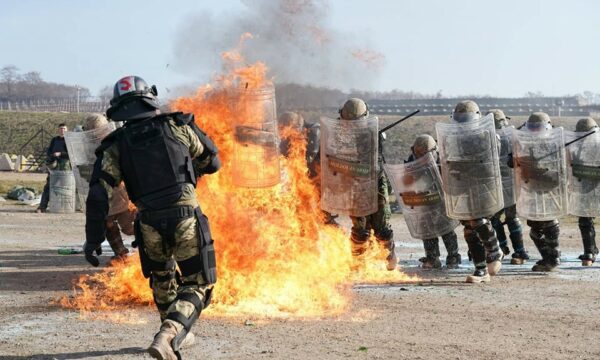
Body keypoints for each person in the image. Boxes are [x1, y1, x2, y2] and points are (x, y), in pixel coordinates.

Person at [82, 76, 221, 360]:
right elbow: (213, 162)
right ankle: (170, 332)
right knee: (197, 283)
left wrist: (93, 238)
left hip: (148, 222)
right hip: (184, 217)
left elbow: (98, 194)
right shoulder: (176, 126)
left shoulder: (115, 145)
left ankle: (172, 334)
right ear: (150, 98)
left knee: (161, 277)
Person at [436, 100, 504, 283]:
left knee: (479, 221)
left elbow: (491, 162)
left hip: (481, 186)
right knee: (468, 229)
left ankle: (495, 251)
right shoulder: (451, 138)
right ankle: (481, 270)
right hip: (462, 185)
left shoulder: (488, 136)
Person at [339, 98, 397, 271]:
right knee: (360, 229)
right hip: (354, 185)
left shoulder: (374, 134)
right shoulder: (338, 136)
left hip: (375, 181)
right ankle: (358, 262)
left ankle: (389, 255)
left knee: (381, 228)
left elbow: (376, 163)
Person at [509, 112, 563, 272]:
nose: (534, 131)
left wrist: (540, 168)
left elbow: (561, 169)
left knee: (549, 222)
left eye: (537, 128)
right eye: (532, 128)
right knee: (535, 229)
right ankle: (549, 258)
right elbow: (512, 161)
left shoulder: (554, 141)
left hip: (549, 186)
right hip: (531, 187)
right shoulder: (523, 141)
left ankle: (553, 257)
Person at [404, 134, 461, 269]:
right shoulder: (412, 161)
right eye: (419, 154)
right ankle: (432, 257)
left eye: (425, 154)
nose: (422, 157)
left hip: (440, 200)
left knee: (446, 228)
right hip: (424, 200)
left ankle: (453, 256)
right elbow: (406, 182)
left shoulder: (441, 160)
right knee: (426, 229)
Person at [82, 113, 133, 259]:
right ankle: (121, 254)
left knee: (129, 227)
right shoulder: (89, 146)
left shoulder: (115, 141)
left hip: (119, 189)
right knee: (107, 222)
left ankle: (154, 247)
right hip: (103, 192)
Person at [278, 111, 339, 225]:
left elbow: (309, 156)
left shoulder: (314, 130)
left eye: (286, 129)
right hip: (304, 174)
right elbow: (282, 154)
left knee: (323, 212)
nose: (285, 133)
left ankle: (333, 228)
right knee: (300, 206)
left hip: (321, 173)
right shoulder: (288, 136)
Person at [487, 109, 530, 264]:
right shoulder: (513, 136)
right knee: (511, 217)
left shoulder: (486, 138)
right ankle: (518, 252)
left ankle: (504, 248)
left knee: (494, 218)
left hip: (496, 184)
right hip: (509, 184)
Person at [571, 117, 599, 266]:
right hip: (587, 188)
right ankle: (590, 251)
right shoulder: (578, 146)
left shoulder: (579, 146)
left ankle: (589, 253)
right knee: (585, 220)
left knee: (585, 220)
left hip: (590, 189)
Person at [36, 123, 71, 213]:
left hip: (66, 168)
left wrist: (60, 154)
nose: (62, 130)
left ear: (67, 130)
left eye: (64, 128)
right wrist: (51, 159)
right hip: (54, 167)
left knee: (66, 188)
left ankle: (66, 207)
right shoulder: (54, 140)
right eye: (60, 128)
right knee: (48, 186)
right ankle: (42, 207)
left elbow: (72, 154)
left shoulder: (70, 140)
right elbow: (49, 152)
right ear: (58, 130)